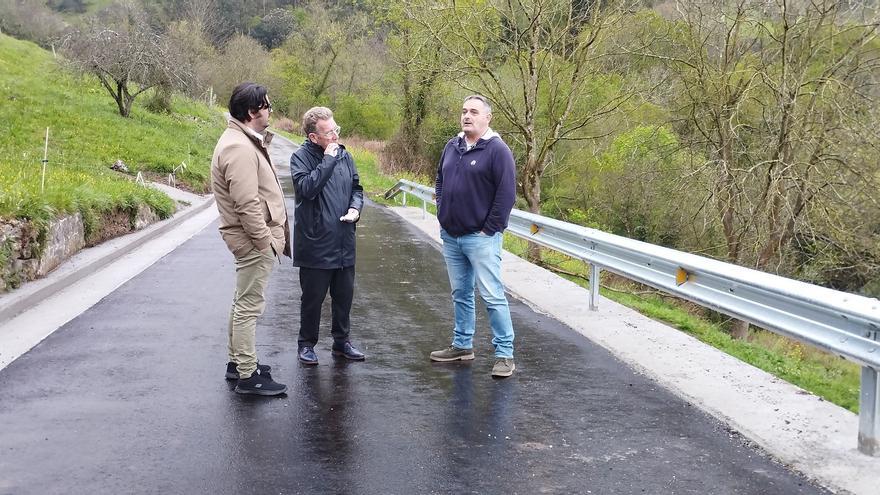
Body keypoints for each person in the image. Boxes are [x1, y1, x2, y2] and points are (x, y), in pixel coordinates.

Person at [430, 95, 517, 378]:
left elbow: (506, 195)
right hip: (451, 235)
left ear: (487, 118)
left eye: (474, 112)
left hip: (481, 237)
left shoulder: (497, 150)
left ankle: (505, 354)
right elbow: (440, 179)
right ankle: (462, 345)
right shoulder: (452, 146)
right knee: (460, 293)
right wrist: (442, 209)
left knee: (492, 296)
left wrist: (489, 228)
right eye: (464, 111)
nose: (467, 116)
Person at [211, 82, 289, 396]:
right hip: (254, 240)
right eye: (267, 105)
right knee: (248, 307)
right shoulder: (238, 147)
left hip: (254, 239)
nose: (270, 110)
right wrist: (264, 242)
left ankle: (239, 363)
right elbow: (246, 203)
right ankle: (247, 375)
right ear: (251, 111)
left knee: (242, 302)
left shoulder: (242, 140)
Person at [290, 107, 365, 365]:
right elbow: (307, 189)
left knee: (344, 296)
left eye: (336, 129)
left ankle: (342, 342)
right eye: (329, 131)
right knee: (313, 299)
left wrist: (356, 208)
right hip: (315, 242)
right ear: (313, 137)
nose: (335, 135)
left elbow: (357, 187)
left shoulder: (345, 155)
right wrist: (329, 159)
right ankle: (306, 344)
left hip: (344, 238)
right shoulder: (300, 157)